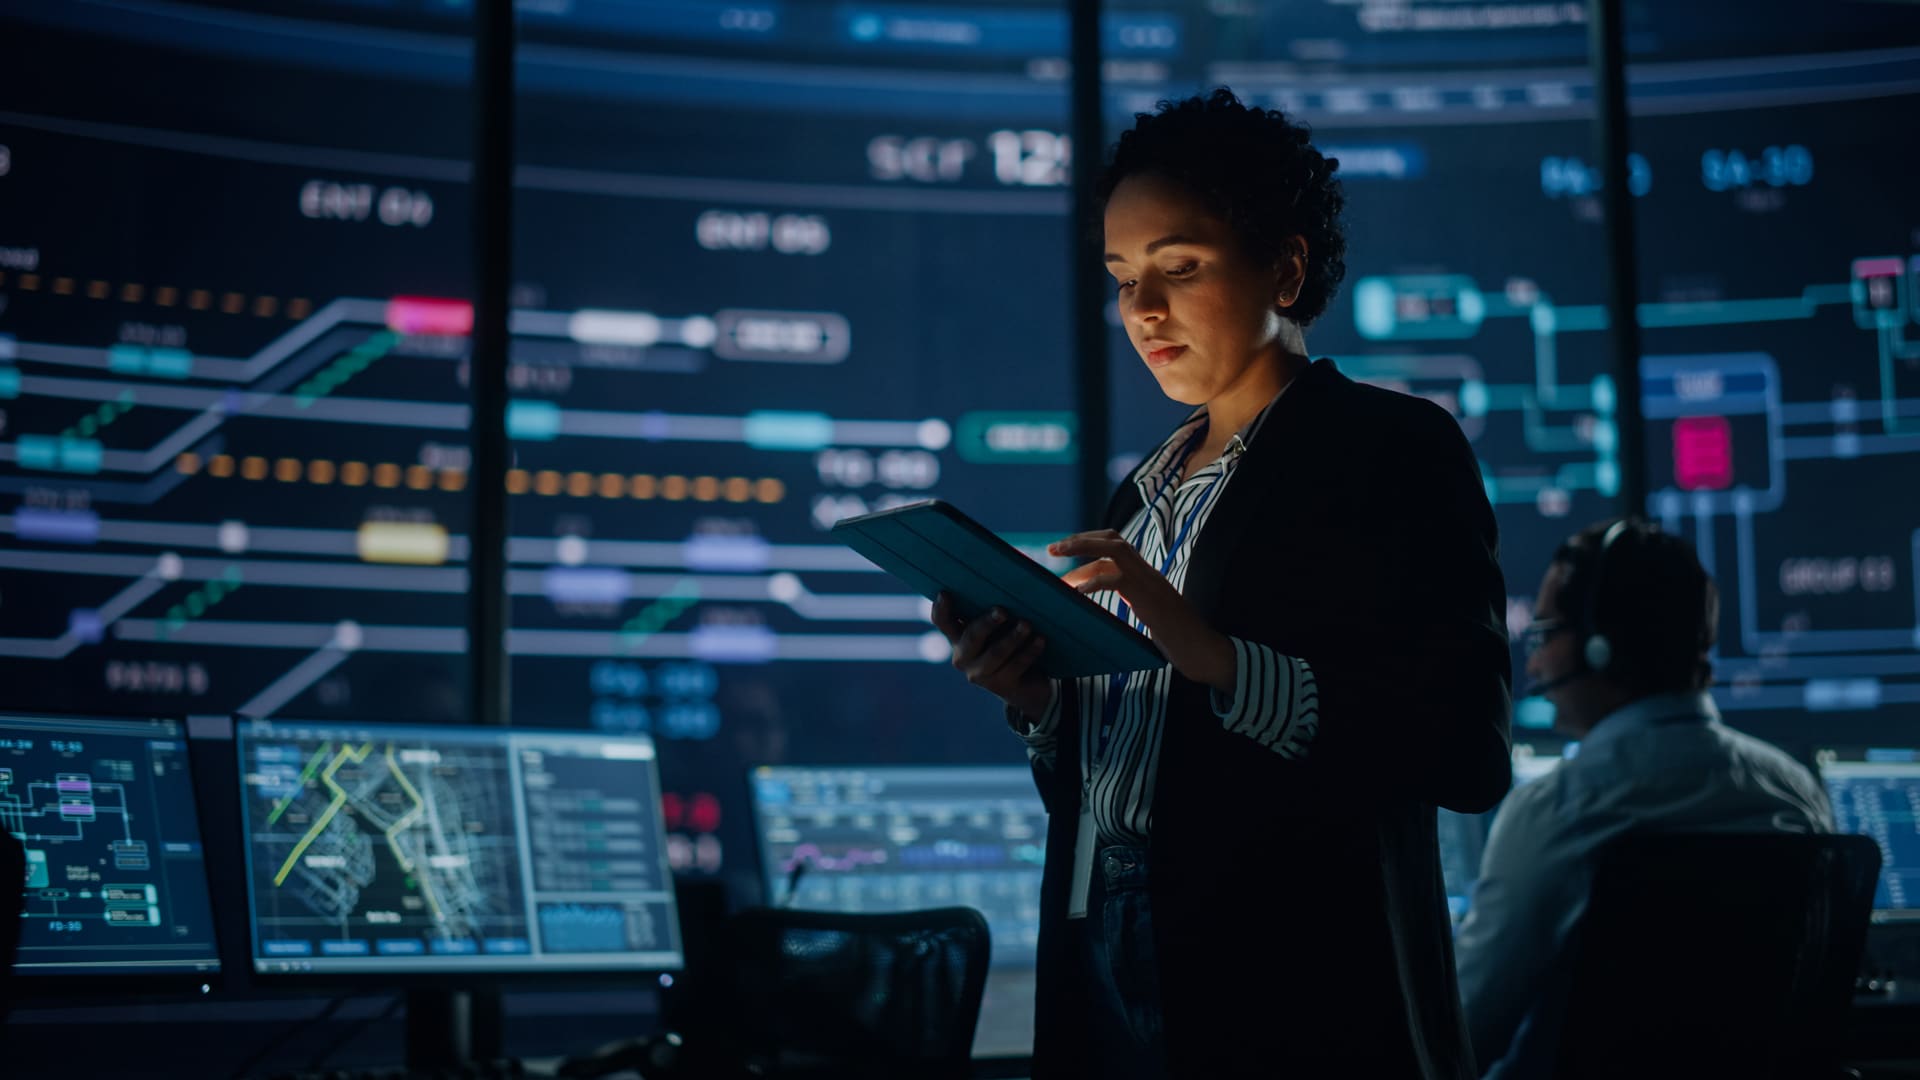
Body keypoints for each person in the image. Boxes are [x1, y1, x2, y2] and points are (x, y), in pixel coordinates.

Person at [929, 88, 1513, 1078]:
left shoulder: (1391, 449)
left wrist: (1218, 658)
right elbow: (1136, 772)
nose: (1143, 311)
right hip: (1105, 936)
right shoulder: (1144, 489)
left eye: (1179, 269)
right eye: (1122, 280)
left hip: (1291, 974)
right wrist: (1039, 702)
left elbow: (1464, 747)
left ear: (1284, 268)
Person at [1455, 517, 1833, 1077]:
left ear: (1601, 647)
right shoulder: (1793, 794)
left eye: (1544, 636)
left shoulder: (1559, 813)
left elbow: (1459, 1036)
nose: (1532, 664)